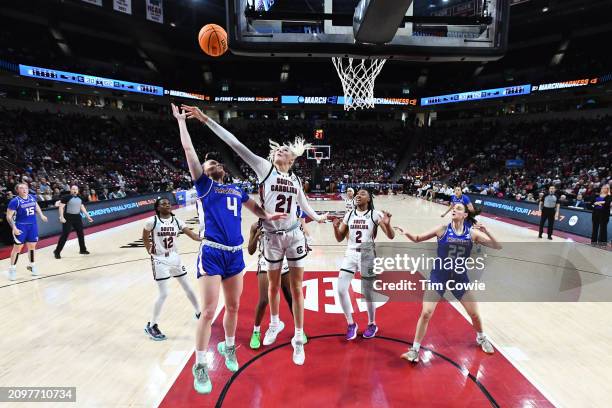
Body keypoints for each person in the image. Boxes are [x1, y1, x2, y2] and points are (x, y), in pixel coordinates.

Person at [181, 104, 327, 366]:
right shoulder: (265, 168)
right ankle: (273, 323)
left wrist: (318, 218)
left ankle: (297, 339)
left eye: (284, 149)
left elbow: (304, 205)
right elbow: (235, 143)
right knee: (271, 287)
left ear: (291, 159)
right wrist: (205, 120)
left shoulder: (294, 179)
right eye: (278, 149)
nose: (279, 150)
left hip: (294, 236)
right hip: (270, 237)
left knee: (295, 288)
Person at [171, 104, 286, 394]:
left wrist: (267, 216)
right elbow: (189, 154)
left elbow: (254, 207)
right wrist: (182, 124)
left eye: (215, 165)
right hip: (211, 252)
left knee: (234, 307)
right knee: (209, 311)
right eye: (206, 167)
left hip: (234, 254)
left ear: (223, 169)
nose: (210, 167)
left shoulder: (236, 189)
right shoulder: (204, 187)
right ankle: (200, 364)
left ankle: (230, 347)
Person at [394, 203, 502, 363]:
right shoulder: (442, 229)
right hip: (439, 276)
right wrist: (407, 232)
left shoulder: (472, 233)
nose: (454, 210)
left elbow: (497, 246)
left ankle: (481, 337)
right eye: (454, 208)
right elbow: (417, 238)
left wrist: (486, 231)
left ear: (465, 215)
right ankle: (415, 350)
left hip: (459, 278)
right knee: (426, 313)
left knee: (474, 314)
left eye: (458, 209)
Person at [332, 189, 394, 340]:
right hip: (351, 253)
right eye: (358, 193)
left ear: (369, 199)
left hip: (367, 254)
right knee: (340, 290)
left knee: (368, 294)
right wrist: (335, 227)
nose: (359, 195)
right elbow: (339, 238)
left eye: (363, 194)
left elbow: (391, 236)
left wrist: (387, 223)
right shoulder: (349, 214)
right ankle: (351, 324)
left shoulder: (375, 214)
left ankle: (372, 324)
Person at [143, 197, 202, 340]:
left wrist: (207, 237)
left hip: (175, 257)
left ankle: (199, 312)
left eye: (168, 203)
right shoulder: (152, 221)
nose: (167, 205)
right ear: (157, 207)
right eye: (163, 204)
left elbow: (193, 235)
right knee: (164, 293)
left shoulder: (177, 221)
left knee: (187, 286)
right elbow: (145, 237)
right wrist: (149, 249)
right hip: (160, 260)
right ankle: (152, 325)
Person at [247, 220, 295, 349]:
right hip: (265, 261)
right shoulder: (255, 225)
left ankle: (299, 331)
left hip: (283, 260)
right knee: (263, 300)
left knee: (290, 297)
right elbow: (250, 251)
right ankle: (256, 332)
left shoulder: (284, 222)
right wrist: (257, 235)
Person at [5, 183, 48, 280]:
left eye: (26, 188)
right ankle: (12, 269)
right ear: (17, 190)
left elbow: (36, 205)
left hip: (33, 226)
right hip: (21, 227)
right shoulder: (14, 201)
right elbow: (8, 216)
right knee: (17, 249)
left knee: (32, 247)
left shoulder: (32, 197)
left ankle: (32, 266)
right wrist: (14, 228)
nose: (24, 189)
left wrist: (41, 215)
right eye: (21, 188)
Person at [54, 185, 93, 258]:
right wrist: (62, 217)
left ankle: (82, 250)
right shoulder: (66, 197)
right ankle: (57, 252)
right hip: (68, 218)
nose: (74, 190)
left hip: (77, 217)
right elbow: (61, 207)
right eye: (73, 189)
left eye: (76, 189)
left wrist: (88, 216)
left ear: (78, 190)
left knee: (81, 234)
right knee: (65, 235)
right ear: (71, 190)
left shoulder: (80, 198)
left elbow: (82, 207)